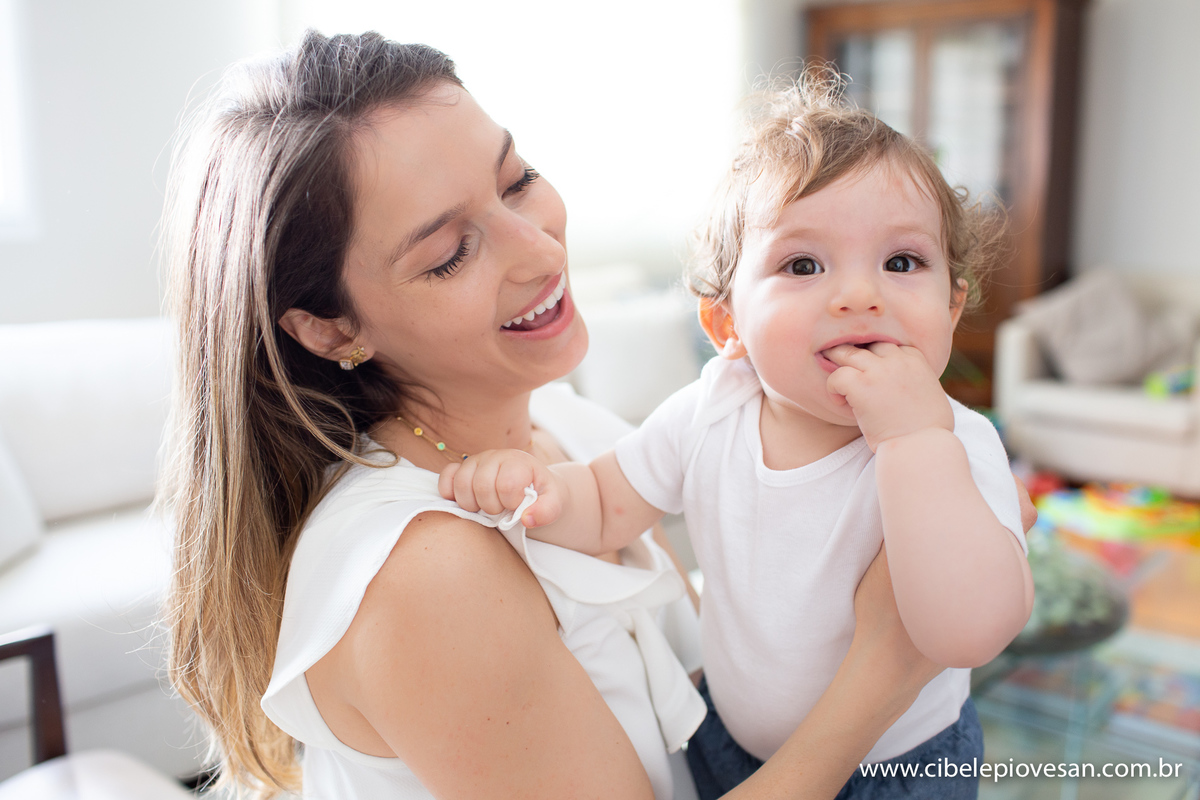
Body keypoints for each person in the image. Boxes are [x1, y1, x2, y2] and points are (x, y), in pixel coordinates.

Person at [160, 32, 1032, 800]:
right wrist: (887, 660)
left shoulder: (568, 429)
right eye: (450, 252)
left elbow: (733, 595)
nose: (540, 249)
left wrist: (941, 496)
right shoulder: (426, 578)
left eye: (519, 179)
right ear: (332, 327)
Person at [440, 70, 1036, 799]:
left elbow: (967, 634)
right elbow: (608, 500)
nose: (859, 294)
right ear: (727, 325)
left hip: (900, 771)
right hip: (728, 735)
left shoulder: (953, 441)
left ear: (950, 306)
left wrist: (913, 441)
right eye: (803, 264)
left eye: (902, 262)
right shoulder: (714, 408)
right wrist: (536, 490)